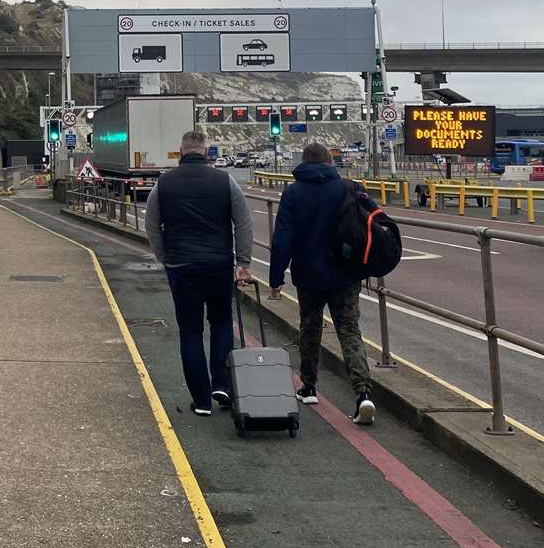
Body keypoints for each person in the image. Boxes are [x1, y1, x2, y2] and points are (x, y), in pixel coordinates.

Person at [144, 128, 254, 415]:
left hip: (181, 267)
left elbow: (151, 225)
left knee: (190, 331)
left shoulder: (163, 184)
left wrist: (164, 256)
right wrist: (242, 262)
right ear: (206, 152)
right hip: (218, 264)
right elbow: (243, 222)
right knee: (221, 323)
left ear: (181, 151)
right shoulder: (225, 180)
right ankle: (222, 384)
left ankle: (202, 400)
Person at [268, 141, 376, 424]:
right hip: (346, 273)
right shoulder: (349, 188)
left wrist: (276, 277)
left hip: (309, 274)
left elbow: (283, 238)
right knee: (349, 330)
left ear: (304, 162)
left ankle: (308, 386)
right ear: (330, 163)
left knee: (310, 326)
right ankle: (363, 393)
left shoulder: (293, 192)